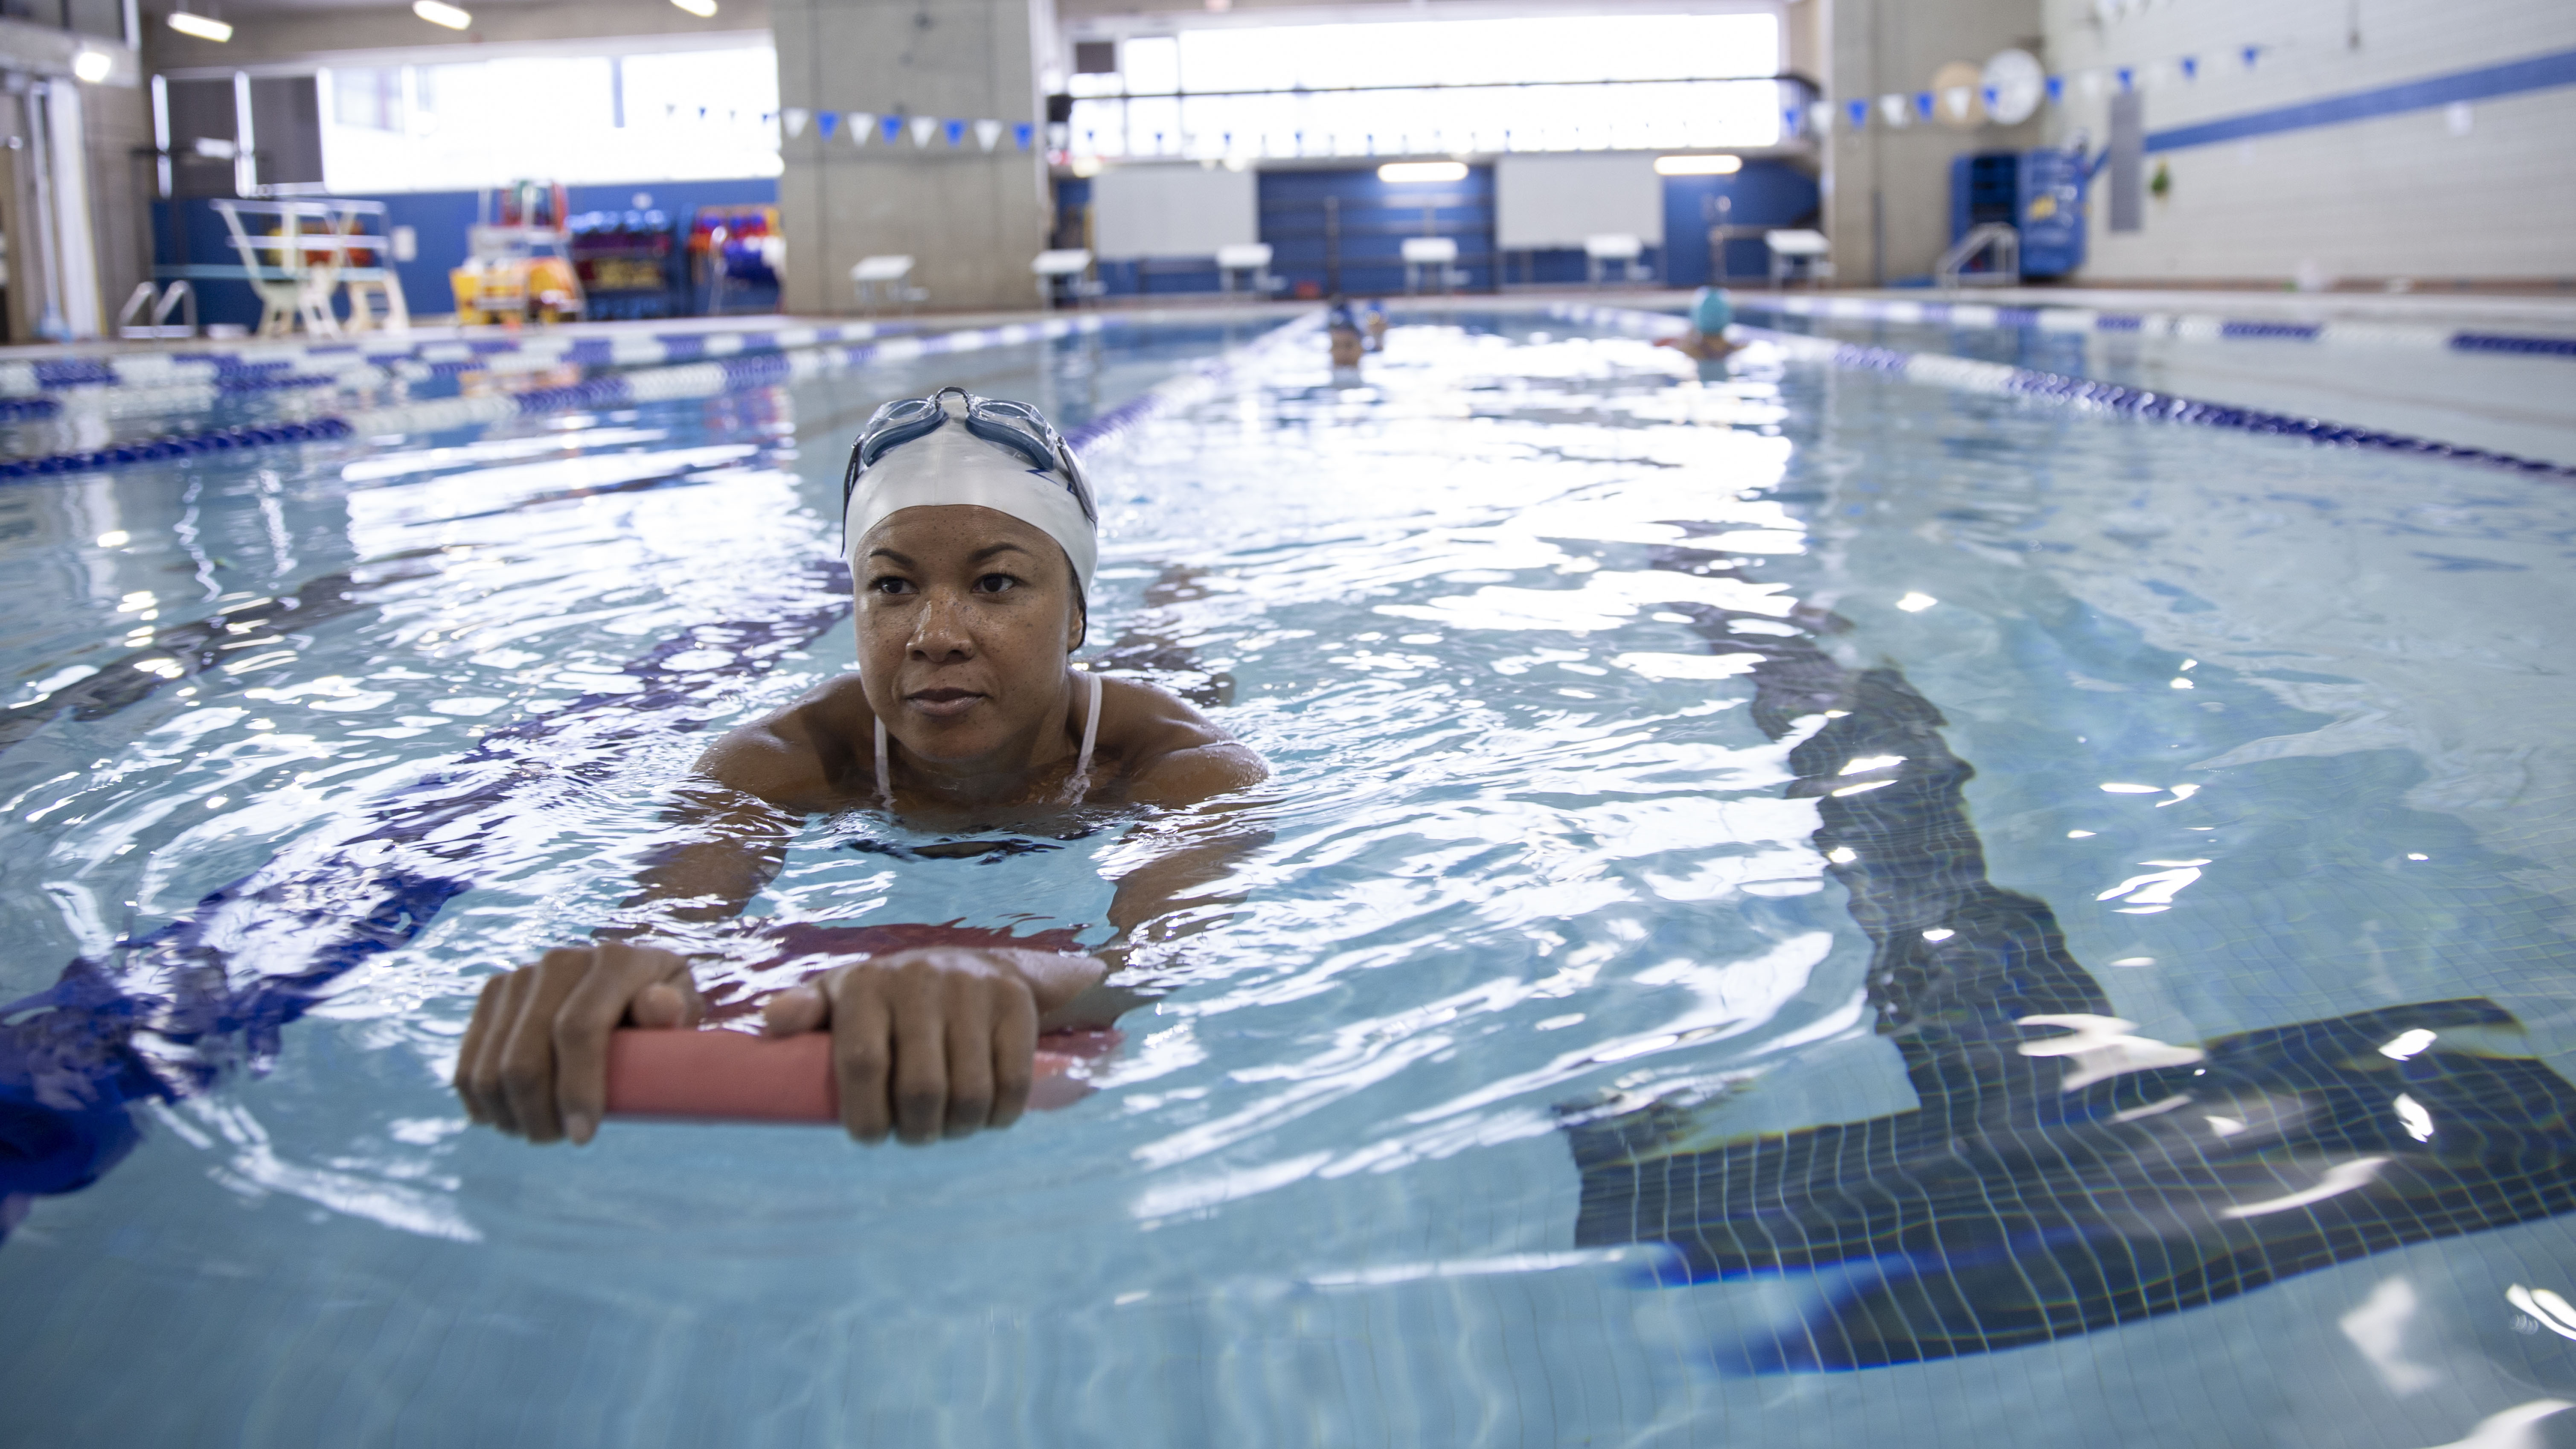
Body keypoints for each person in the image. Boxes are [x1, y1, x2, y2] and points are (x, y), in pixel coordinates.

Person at [453, 387, 1270, 1148]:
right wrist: (624, 962)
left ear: (1075, 615)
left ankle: (1180, 593)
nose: (933, 633)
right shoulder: (778, 761)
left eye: (995, 582)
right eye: (892, 585)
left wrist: (1025, 977)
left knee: (1177, 657)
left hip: (1119, 703)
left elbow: (1159, 954)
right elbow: (671, 914)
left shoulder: (1188, 765)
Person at [1654, 285, 1739, 363]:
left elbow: (1656, 345)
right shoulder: (1738, 349)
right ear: (1729, 316)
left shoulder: (1688, 351)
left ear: (1696, 316)